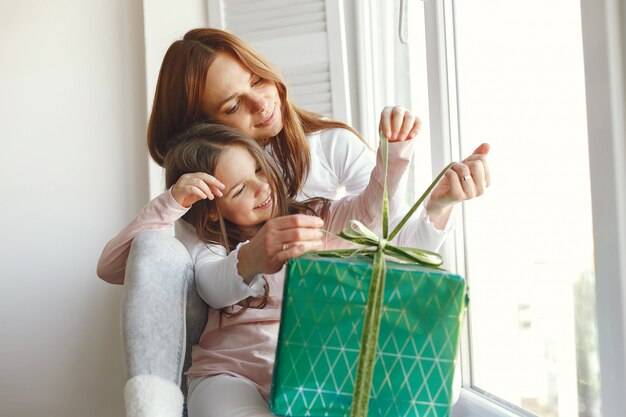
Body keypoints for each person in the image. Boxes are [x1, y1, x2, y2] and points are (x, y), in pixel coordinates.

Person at [96, 27, 490, 417]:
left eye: (256, 79)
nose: (261, 103)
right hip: (234, 371)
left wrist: (414, 180)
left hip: (318, 354)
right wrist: (192, 216)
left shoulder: (318, 206)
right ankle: (154, 401)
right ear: (207, 128)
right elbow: (170, 273)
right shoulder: (207, 217)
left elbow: (380, 230)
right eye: (232, 106)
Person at [156, 122, 471, 417]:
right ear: (212, 212)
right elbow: (211, 286)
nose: (261, 187)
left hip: (314, 373)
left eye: (259, 170)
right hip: (232, 374)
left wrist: (395, 154)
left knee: (437, 383)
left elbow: (372, 209)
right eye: (239, 190)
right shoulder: (213, 246)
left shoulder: (319, 217)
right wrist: (253, 257)